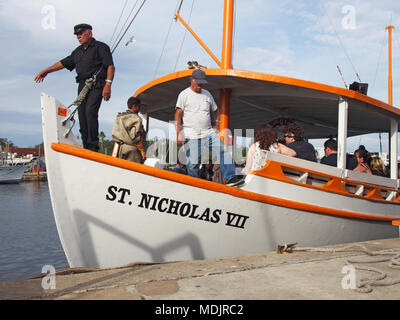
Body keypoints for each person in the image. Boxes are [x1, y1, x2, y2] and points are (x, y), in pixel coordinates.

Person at [34, 23, 115, 152]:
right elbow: (62, 63)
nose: (78, 36)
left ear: (89, 33)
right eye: (77, 34)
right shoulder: (77, 52)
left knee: (90, 112)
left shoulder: (101, 47)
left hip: (97, 84)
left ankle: (93, 147)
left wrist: (108, 84)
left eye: (81, 33)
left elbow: (110, 66)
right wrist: (46, 71)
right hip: (83, 86)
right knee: (82, 116)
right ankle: (86, 147)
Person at [174, 69, 241, 185]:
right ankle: (193, 184)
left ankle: (230, 178)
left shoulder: (207, 94)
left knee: (223, 152)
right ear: (191, 80)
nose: (200, 85)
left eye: (202, 83)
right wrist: (178, 133)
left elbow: (215, 110)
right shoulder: (184, 94)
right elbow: (178, 115)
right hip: (192, 134)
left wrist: (217, 124)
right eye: (198, 82)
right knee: (193, 163)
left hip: (208, 132)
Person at [112, 97, 146, 163]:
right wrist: (142, 151)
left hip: (119, 149)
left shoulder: (119, 117)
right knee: (133, 172)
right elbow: (135, 137)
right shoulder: (136, 118)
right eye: (139, 106)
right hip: (132, 150)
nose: (139, 108)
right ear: (134, 106)